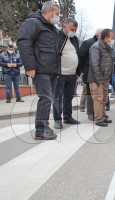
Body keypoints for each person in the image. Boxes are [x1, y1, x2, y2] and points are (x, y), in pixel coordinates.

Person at [18, 1, 60, 140]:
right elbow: (24, 43)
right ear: (49, 12)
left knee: (49, 98)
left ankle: (44, 127)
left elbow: (55, 51)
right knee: (45, 98)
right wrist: (29, 66)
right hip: (40, 69)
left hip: (51, 70)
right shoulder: (33, 23)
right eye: (57, 14)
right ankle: (41, 129)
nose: (58, 17)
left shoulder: (52, 28)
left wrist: (57, 70)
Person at [52, 18, 81, 129]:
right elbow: (53, 54)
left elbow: (76, 53)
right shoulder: (57, 36)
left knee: (69, 96)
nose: (73, 32)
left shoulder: (74, 39)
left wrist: (78, 70)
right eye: (72, 29)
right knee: (58, 97)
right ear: (64, 26)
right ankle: (57, 119)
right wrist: (55, 70)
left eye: (75, 30)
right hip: (60, 73)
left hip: (72, 74)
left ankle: (67, 116)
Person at [87, 28, 114, 127]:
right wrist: (99, 79)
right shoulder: (96, 47)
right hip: (96, 79)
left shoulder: (107, 47)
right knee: (98, 99)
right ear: (106, 38)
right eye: (112, 38)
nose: (113, 39)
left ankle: (103, 116)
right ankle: (98, 119)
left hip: (105, 79)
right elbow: (94, 64)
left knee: (104, 99)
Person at [79, 28, 102, 121]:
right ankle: (90, 113)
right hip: (88, 72)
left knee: (97, 93)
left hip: (98, 72)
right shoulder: (88, 43)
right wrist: (81, 70)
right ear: (97, 36)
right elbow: (81, 57)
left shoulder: (102, 44)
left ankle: (98, 113)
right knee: (89, 93)